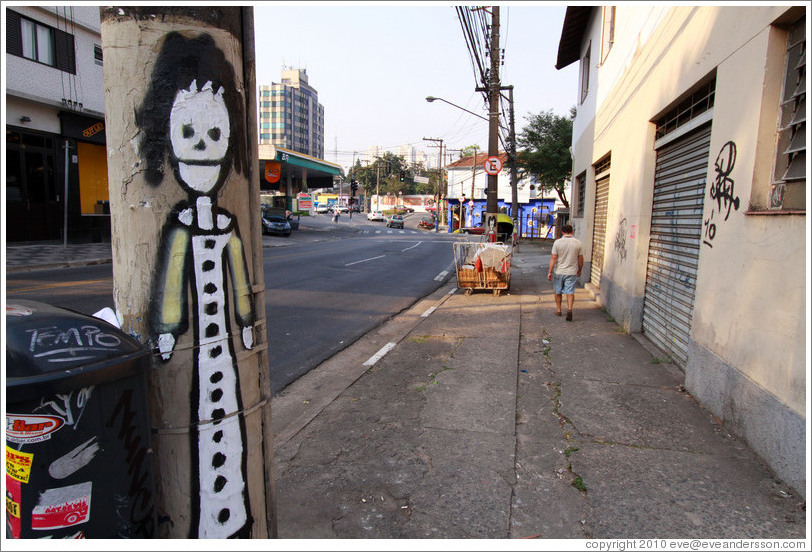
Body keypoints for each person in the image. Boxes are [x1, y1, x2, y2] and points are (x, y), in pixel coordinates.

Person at [547, 223, 584, 321]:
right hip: (571, 272)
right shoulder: (578, 243)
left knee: (558, 291)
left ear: (562, 232)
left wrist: (550, 271)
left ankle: (559, 310)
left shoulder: (557, 243)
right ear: (572, 231)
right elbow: (580, 259)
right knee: (570, 291)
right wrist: (579, 270)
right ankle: (570, 309)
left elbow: (553, 258)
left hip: (559, 271)